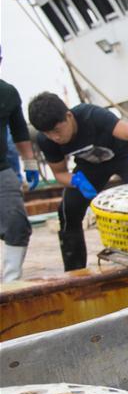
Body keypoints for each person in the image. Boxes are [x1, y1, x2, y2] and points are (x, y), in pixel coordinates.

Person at [28, 92, 128, 271]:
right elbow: (59, 173)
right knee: (68, 209)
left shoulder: (91, 115)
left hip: (122, 156)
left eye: (57, 130)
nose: (55, 137)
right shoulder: (47, 140)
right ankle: (75, 268)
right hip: (90, 165)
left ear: (68, 116)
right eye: (48, 133)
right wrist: (76, 181)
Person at [1, 73, 39, 282]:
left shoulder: (7, 92)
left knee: (17, 224)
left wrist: (30, 163)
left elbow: (19, 131)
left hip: (1, 169)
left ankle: (10, 283)